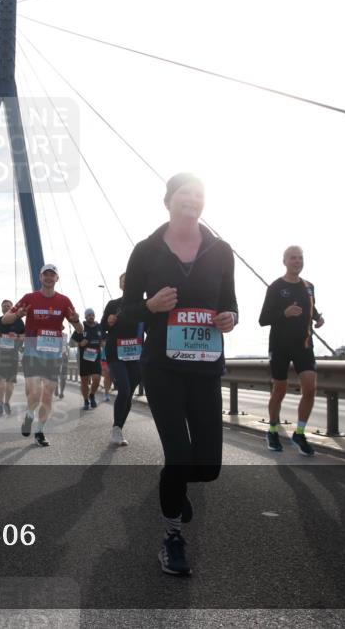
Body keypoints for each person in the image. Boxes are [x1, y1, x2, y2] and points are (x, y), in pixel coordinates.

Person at [123, 173, 237, 576]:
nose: (192, 200)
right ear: (168, 200)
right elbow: (124, 311)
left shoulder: (221, 251)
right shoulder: (146, 250)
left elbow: (231, 305)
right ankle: (172, 537)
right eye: (185, 194)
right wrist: (150, 306)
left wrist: (229, 318)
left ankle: (175, 485)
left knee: (207, 467)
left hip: (205, 369)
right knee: (178, 454)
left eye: (199, 194)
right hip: (163, 368)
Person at [4, 265, 83, 447]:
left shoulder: (64, 301)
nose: (49, 278)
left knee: (47, 395)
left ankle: (39, 431)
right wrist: (18, 314)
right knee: (35, 392)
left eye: (52, 275)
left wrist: (77, 321)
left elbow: (80, 330)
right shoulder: (29, 298)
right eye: (45, 275)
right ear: (40, 277)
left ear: (57, 279)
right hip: (32, 352)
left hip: (54, 355)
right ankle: (29, 415)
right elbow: (4, 320)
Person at [258, 245, 325, 456]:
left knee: (310, 388)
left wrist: (318, 317)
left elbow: (310, 308)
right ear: (284, 261)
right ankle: (273, 430)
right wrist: (284, 313)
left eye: (300, 258)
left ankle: (300, 433)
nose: (297, 261)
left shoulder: (309, 287)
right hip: (280, 347)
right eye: (293, 258)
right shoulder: (276, 287)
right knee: (279, 390)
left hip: (304, 346)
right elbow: (263, 319)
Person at [101, 272, 143, 446]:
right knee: (124, 390)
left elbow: (152, 329)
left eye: (130, 280)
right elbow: (102, 327)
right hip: (116, 353)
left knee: (129, 394)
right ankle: (116, 429)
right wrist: (108, 322)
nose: (127, 283)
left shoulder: (144, 305)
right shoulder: (113, 304)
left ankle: (119, 427)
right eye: (124, 281)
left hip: (136, 354)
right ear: (120, 285)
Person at [0, 299, 25, 415]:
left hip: (13, 354)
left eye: (8, 306)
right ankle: (0, 402)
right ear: (1, 308)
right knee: (1, 378)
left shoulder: (19, 322)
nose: (6, 307)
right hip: (0, 354)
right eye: (4, 306)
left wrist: (17, 337)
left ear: (13, 308)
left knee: (10, 381)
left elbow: (25, 335)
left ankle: (7, 402)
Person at [71, 308, 105, 411]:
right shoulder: (81, 327)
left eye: (92, 314)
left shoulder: (99, 327)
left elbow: (104, 340)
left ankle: (92, 395)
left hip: (95, 358)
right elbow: (71, 343)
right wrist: (80, 344)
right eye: (89, 315)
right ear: (85, 317)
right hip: (83, 359)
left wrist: (103, 343)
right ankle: (86, 400)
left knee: (97, 379)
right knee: (84, 381)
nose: (91, 316)